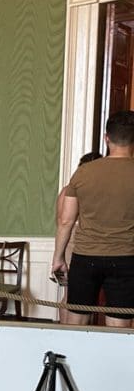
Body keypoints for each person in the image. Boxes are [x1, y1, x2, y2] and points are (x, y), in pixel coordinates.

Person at [52, 111, 134, 328]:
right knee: (119, 330)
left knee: (76, 325)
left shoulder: (83, 173)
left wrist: (58, 258)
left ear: (107, 137)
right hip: (126, 258)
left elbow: (66, 221)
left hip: (85, 257)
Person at [54, 150, 101, 324]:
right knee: (78, 299)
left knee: (68, 295)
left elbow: (60, 221)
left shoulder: (66, 189)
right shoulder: (85, 190)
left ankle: (65, 332)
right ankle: (72, 334)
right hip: (78, 242)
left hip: (64, 241)